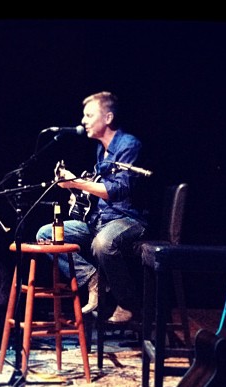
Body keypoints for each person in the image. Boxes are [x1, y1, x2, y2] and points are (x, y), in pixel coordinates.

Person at [36, 91, 148, 323]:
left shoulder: (128, 145)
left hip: (128, 220)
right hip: (99, 220)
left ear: (107, 118)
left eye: (89, 115)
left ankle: (128, 304)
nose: (83, 121)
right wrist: (74, 187)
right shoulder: (100, 150)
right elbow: (97, 188)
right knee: (46, 234)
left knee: (103, 243)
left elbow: (117, 190)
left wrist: (76, 182)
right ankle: (93, 279)